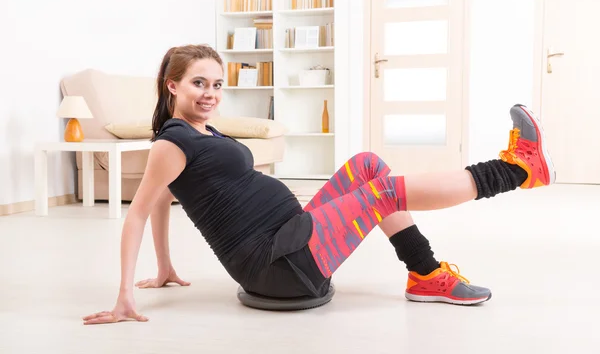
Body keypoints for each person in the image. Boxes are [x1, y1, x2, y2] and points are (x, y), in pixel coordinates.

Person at [82, 44, 555, 325]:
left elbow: (165, 200)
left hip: (292, 235)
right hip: (280, 267)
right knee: (381, 193)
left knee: (368, 166)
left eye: (217, 84)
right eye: (198, 84)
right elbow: (141, 209)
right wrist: (125, 293)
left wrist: (165, 267)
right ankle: (515, 169)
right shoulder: (173, 141)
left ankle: (426, 274)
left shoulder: (202, 133)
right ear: (172, 86)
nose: (210, 94)